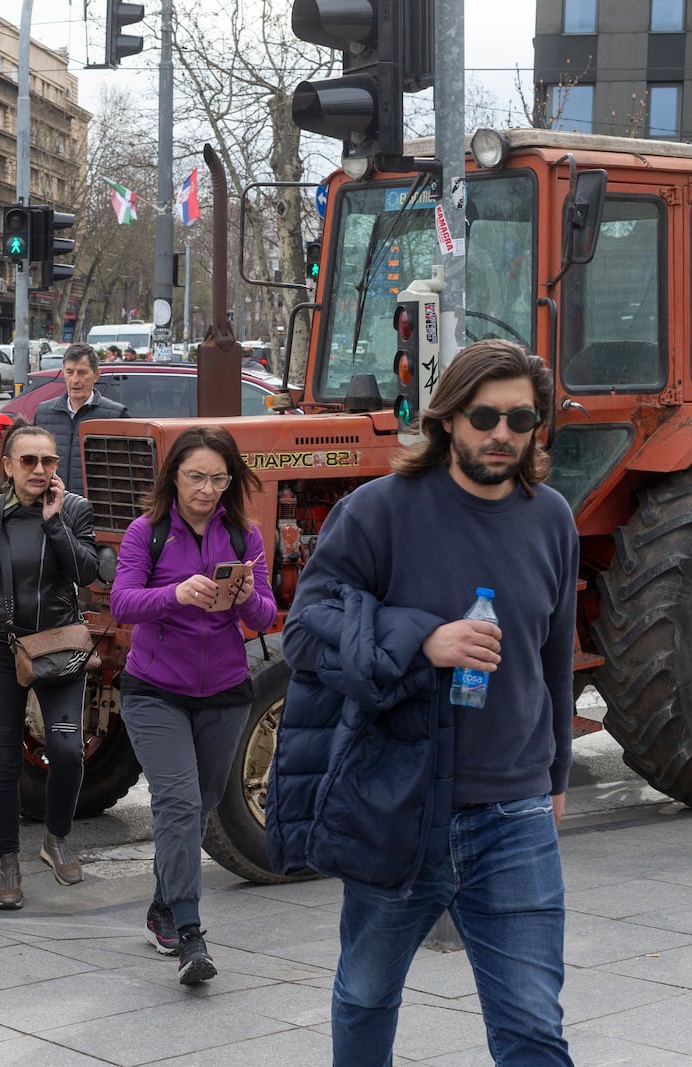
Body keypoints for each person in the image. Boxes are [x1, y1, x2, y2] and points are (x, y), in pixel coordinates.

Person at [276, 339, 577, 1065]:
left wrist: (557, 776)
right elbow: (304, 632)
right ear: (449, 418)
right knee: (366, 995)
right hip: (400, 803)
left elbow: (554, 658)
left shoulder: (553, 517)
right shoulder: (379, 510)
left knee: (534, 1027)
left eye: (521, 419)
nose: (502, 433)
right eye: (484, 416)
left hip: (516, 814)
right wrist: (422, 641)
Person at [109, 426, 277, 985]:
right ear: (174, 478)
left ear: (231, 481)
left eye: (218, 478)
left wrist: (247, 592)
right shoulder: (146, 533)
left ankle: (162, 905)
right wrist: (176, 593)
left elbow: (263, 618)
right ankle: (189, 933)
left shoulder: (242, 536)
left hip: (226, 692)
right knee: (178, 804)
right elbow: (123, 602)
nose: (206, 489)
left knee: (196, 808)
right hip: (155, 690)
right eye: (195, 476)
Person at [0, 419, 100, 909]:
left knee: (66, 749)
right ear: (7, 466)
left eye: (48, 461)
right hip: (1, 650)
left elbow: (87, 572)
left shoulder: (75, 509)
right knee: (1, 762)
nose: (40, 469)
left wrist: (54, 521)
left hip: (58, 648)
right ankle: (8, 861)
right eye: (29, 461)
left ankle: (56, 838)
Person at [33, 342, 128, 493]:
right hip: (52, 507)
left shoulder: (115, 415)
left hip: (94, 510)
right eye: (69, 372)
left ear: (96, 375)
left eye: (82, 373)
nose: (75, 380)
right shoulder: (43, 413)